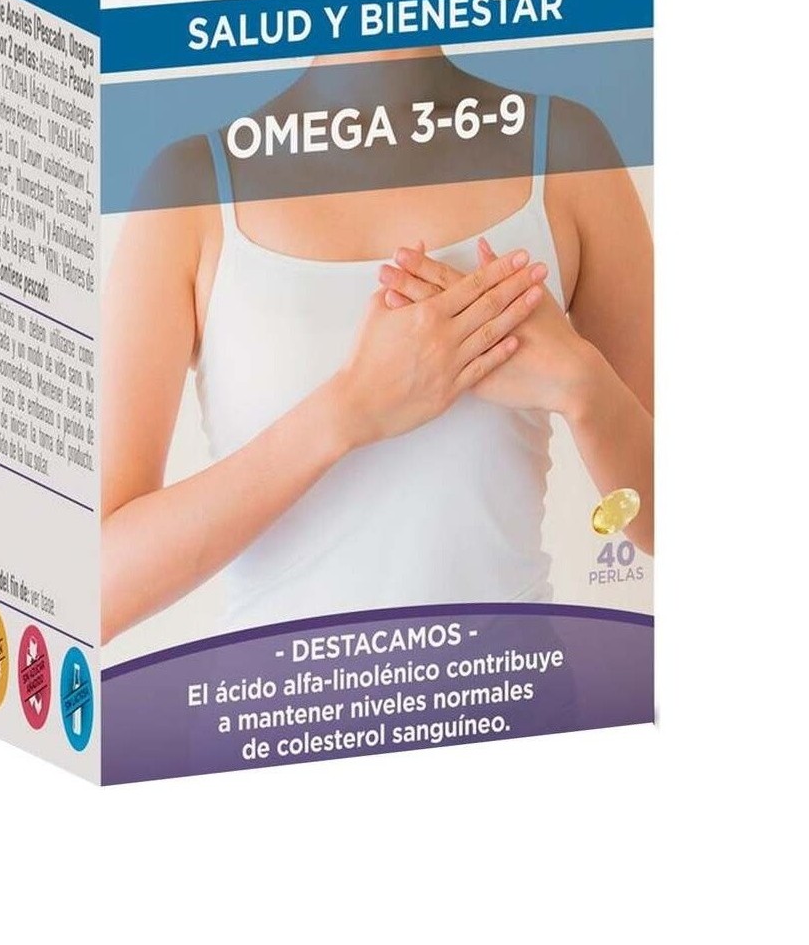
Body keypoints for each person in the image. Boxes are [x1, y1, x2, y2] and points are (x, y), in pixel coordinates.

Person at [100, 48, 653, 644]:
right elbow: (94, 588)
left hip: (514, 693)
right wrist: (347, 411)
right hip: (274, 700)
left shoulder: (568, 156)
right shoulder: (190, 193)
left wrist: (585, 386)